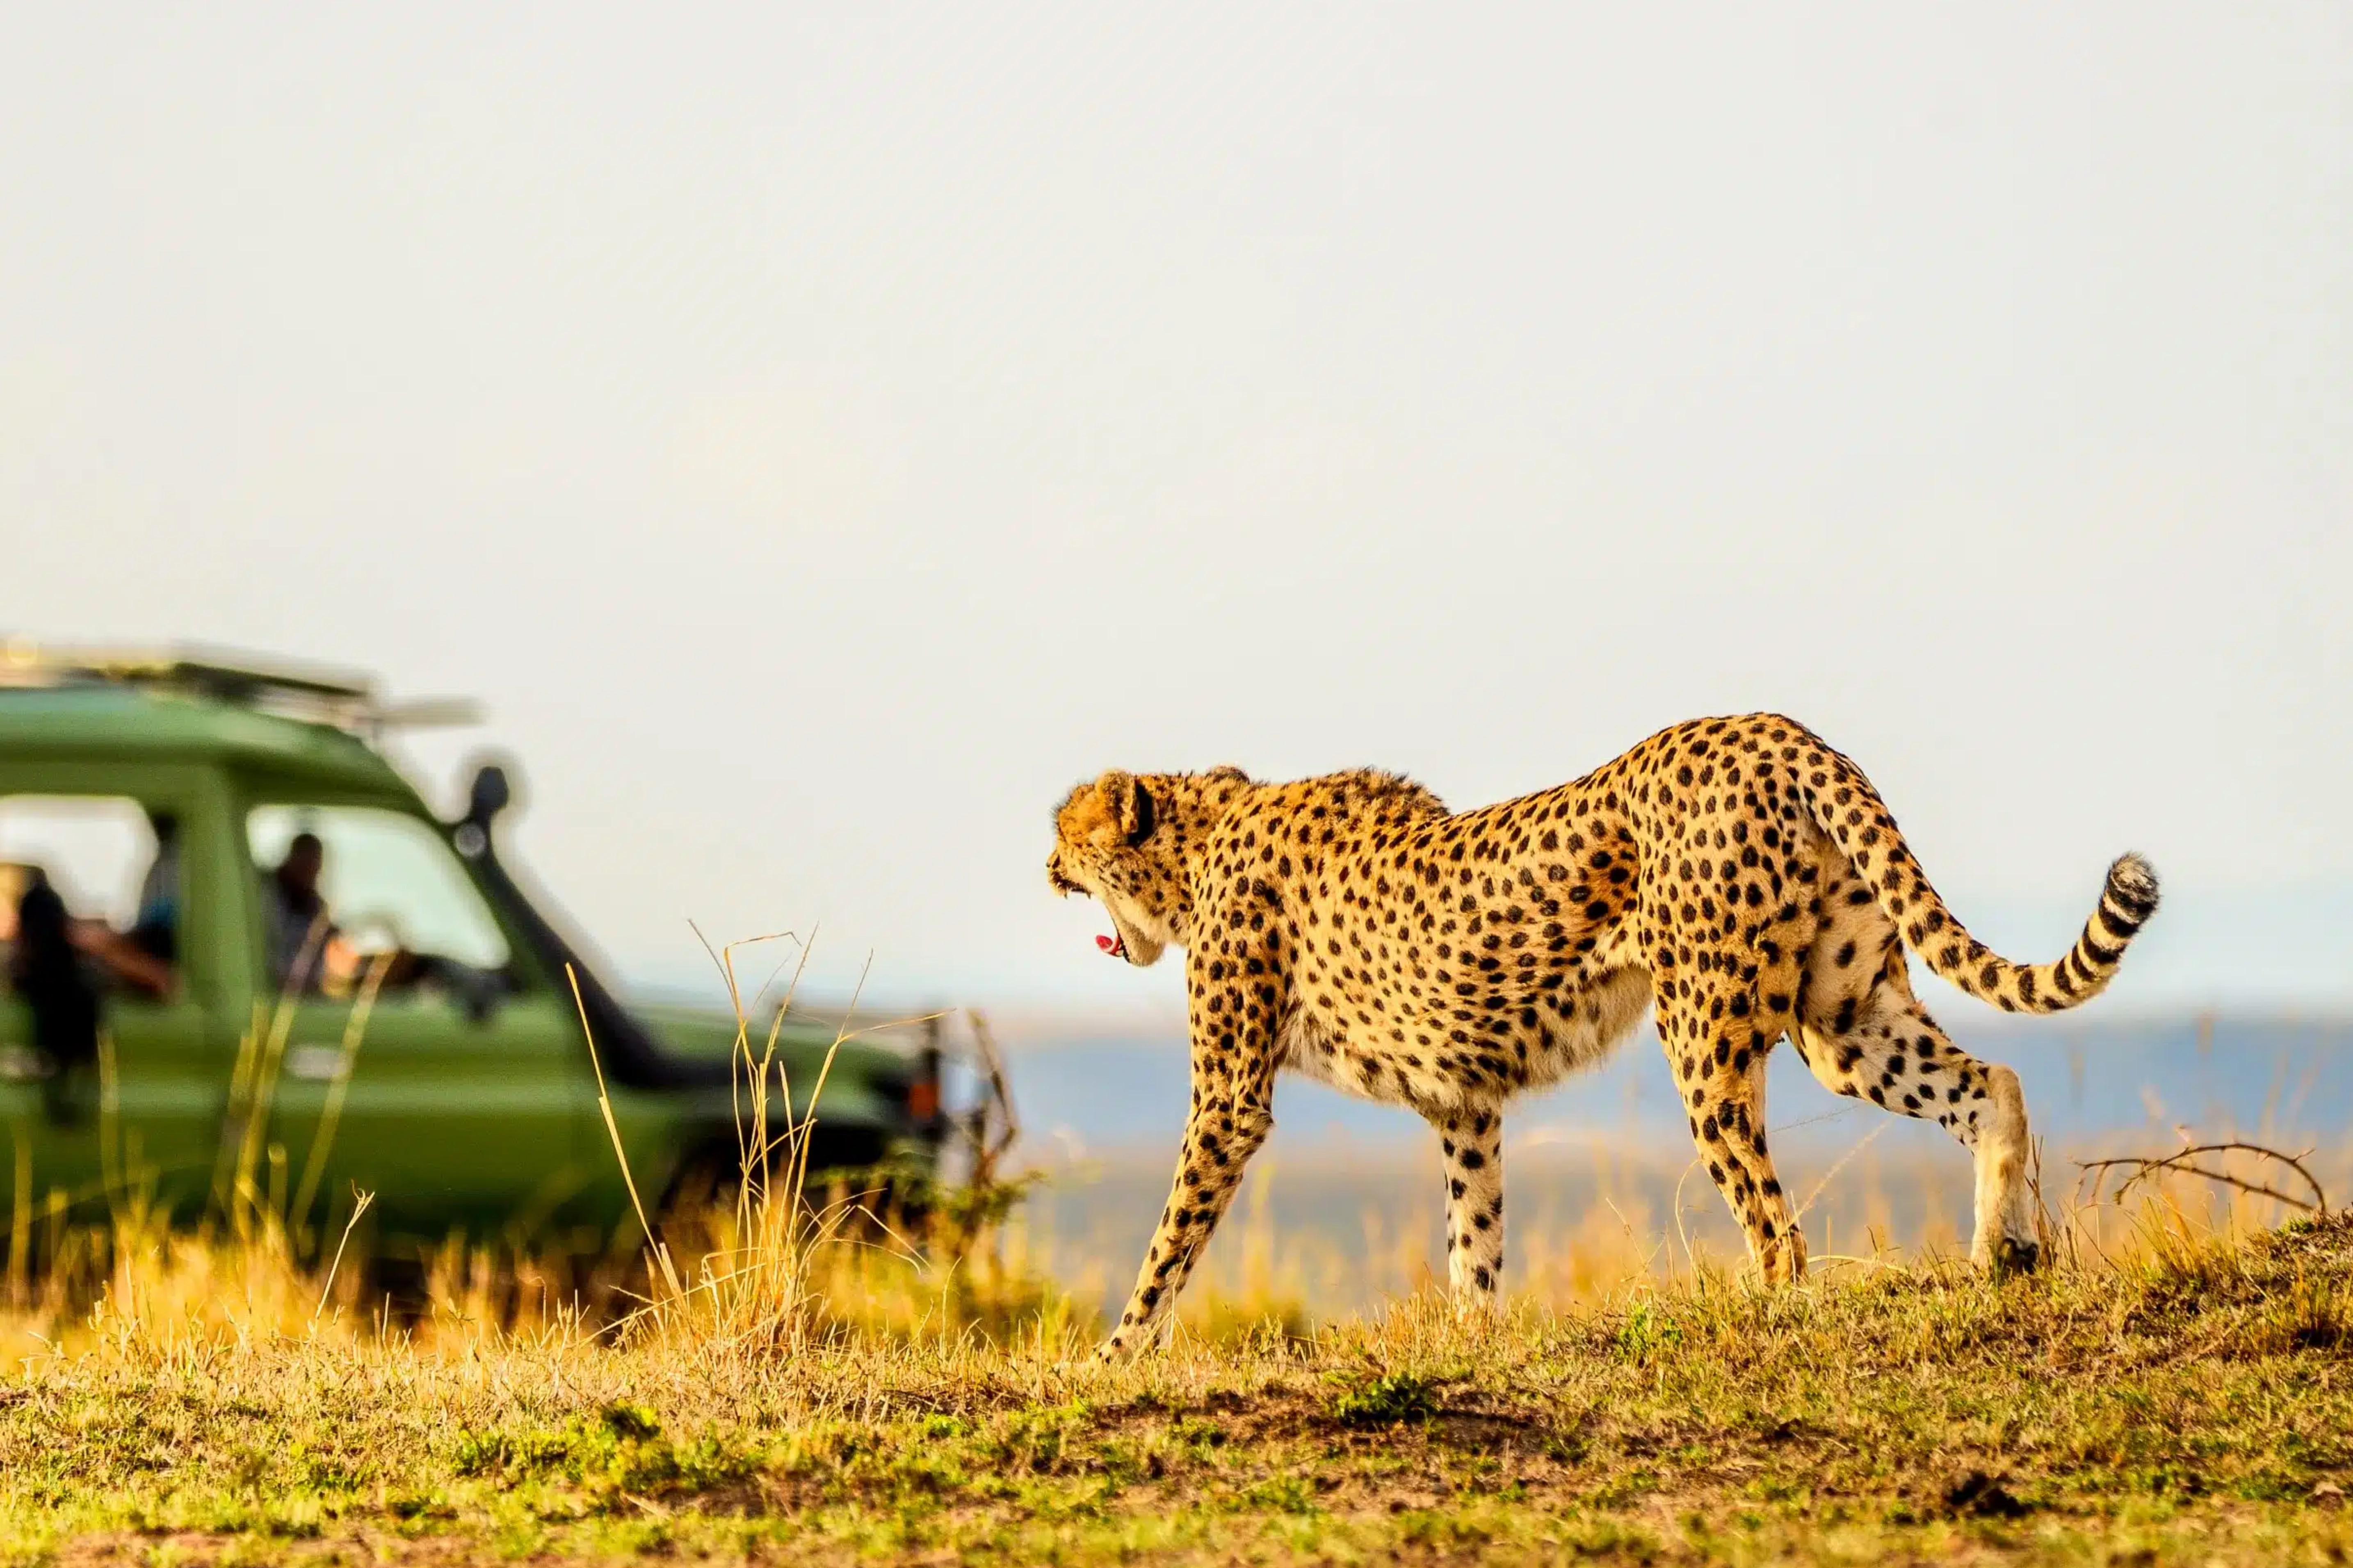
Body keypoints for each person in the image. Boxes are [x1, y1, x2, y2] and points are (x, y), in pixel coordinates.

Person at [264, 831, 336, 994]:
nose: (311, 870)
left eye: (315, 864)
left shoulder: (316, 906)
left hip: (305, 996)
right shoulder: (266, 897)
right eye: (305, 862)